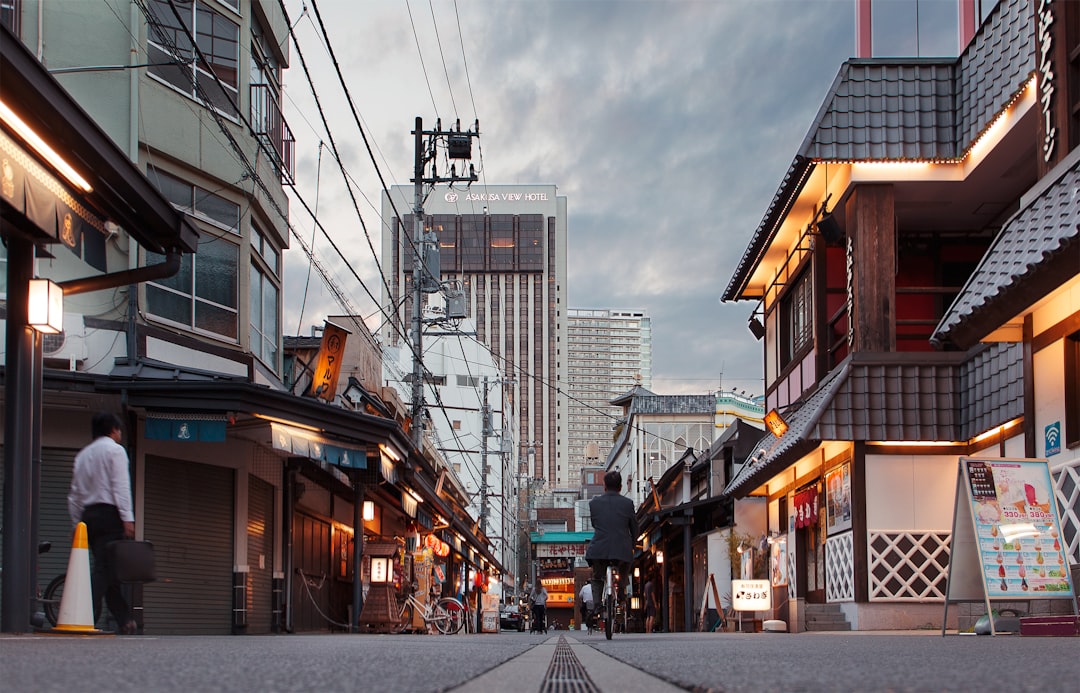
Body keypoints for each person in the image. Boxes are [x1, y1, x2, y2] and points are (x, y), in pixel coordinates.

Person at [67, 412, 136, 634]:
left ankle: (124, 619)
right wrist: (127, 517)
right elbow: (120, 486)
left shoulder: (82, 455)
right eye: (119, 430)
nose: (120, 434)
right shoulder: (115, 451)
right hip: (109, 514)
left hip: (88, 517)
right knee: (104, 569)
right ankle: (88, 615)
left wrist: (76, 524)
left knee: (108, 569)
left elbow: (74, 495)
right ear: (114, 430)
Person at [585, 470, 638, 623]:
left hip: (599, 549)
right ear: (621, 487)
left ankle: (596, 605)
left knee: (596, 576)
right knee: (624, 568)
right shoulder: (628, 503)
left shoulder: (594, 503)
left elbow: (596, 524)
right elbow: (634, 528)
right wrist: (632, 543)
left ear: (604, 486)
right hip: (622, 549)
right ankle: (621, 590)